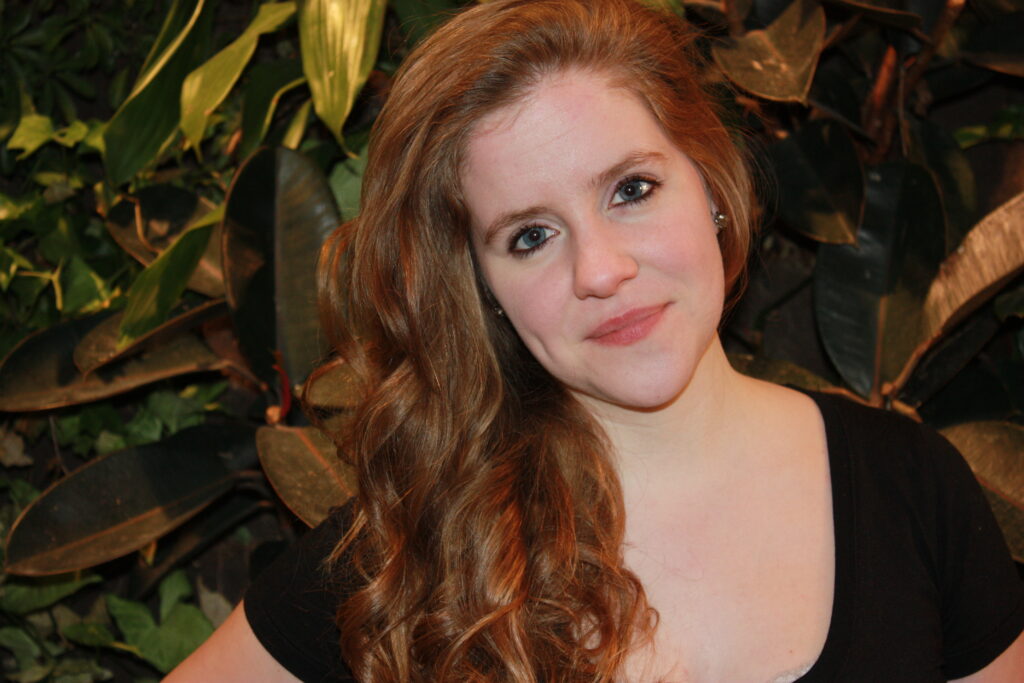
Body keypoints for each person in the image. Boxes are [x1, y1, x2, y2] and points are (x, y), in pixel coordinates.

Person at [167, 0, 1024, 680]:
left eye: (632, 188)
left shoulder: (912, 487)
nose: (601, 269)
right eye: (530, 236)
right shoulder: (419, 546)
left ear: (710, 181)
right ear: (483, 289)